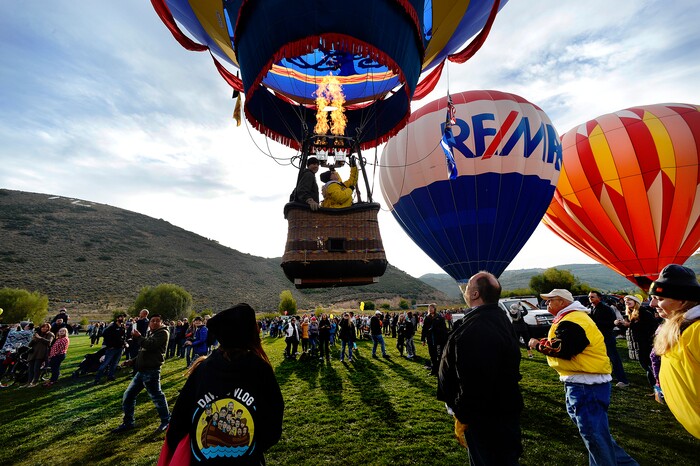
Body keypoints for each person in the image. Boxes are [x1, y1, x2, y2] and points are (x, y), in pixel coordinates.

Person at [159, 303, 284, 465]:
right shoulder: (260, 369)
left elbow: (178, 422)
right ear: (249, 333)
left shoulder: (202, 369)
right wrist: (254, 447)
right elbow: (273, 420)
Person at [528, 289, 638, 465]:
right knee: (598, 436)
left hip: (586, 385)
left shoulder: (573, 320)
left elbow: (563, 348)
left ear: (562, 302)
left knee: (594, 437)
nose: (546, 303)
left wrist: (538, 344)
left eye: (550, 300)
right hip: (583, 382)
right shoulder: (572, 318)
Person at [438, 271, 523, 465]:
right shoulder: (498, 318)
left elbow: (475, 381)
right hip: (502, 409)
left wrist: (462, 414)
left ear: (475, 294)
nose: (465, 291)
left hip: (485, 418)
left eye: (468, 287)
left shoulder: (476, 328)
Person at [648, 264, 700, 439]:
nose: (653, 303)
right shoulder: (678, 327)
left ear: (683, 301)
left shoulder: (697, 330)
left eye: (660, 298)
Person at [113, 314, 170, 433]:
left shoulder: (163, 333)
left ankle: (166, 421)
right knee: (128, 396)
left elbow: (150, 345)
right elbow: (143, 352)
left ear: (161, 323)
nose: (154, 323)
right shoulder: (151, 333)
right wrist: (132, 361)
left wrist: (139, 337)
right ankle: (128, 422)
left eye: (157, 321)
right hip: (141, 371)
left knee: (157, 397)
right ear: (149, 323)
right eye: (152, 321)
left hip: (151, 370)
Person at [616, 295, 659, 391]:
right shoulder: (631, 313)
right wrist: (621, 324)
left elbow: (650, 327)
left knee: (650, 367)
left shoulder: (644, 312)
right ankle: (655, 389)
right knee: (646, 366)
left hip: (647, 344)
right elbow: (632, 329)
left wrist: (630, 325)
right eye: (626, 300)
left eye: (630, 300)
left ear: (636, 302)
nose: (627, 302)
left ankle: (658, 389)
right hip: (639, 344)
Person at [94, 313, 128, 384]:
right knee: (105, 363)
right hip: (111, 349)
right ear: (117, 318)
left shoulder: (122, 327)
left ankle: (111, 376)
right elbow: (104, 335)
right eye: (121, 317)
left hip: (120, 348)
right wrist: (109, 345)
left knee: (115, 363)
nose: (122, 319)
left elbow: (123, 337)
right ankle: (97, 379)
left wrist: (124, 343)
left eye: (124, 317)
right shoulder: (112, 327)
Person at [21, 323, 54, 388]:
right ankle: (28, 382)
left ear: (49, 328)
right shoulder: (37, 333)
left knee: (36, 369)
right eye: (43, 327)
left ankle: (34, 382)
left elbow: (49, 342)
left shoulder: (50, 334)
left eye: (46, 327)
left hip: (41, 354)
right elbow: (29, 345)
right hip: (33, 353)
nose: (44, 328)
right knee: (30, 369)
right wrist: (33, 339)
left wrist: (40, 338)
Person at [421, 303, 448, 375]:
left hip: (438, 339)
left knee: (439, 355)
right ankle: (433, 370)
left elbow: (444, 329)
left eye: (431, 308)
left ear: (434, 309)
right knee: (432, 355)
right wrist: (423, 339)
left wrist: (435, 329)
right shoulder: (427, 317)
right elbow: (424, 329)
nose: (430, 309)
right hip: (430, 339)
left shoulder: (440, 317)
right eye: (429, 308)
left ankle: (440, 370)